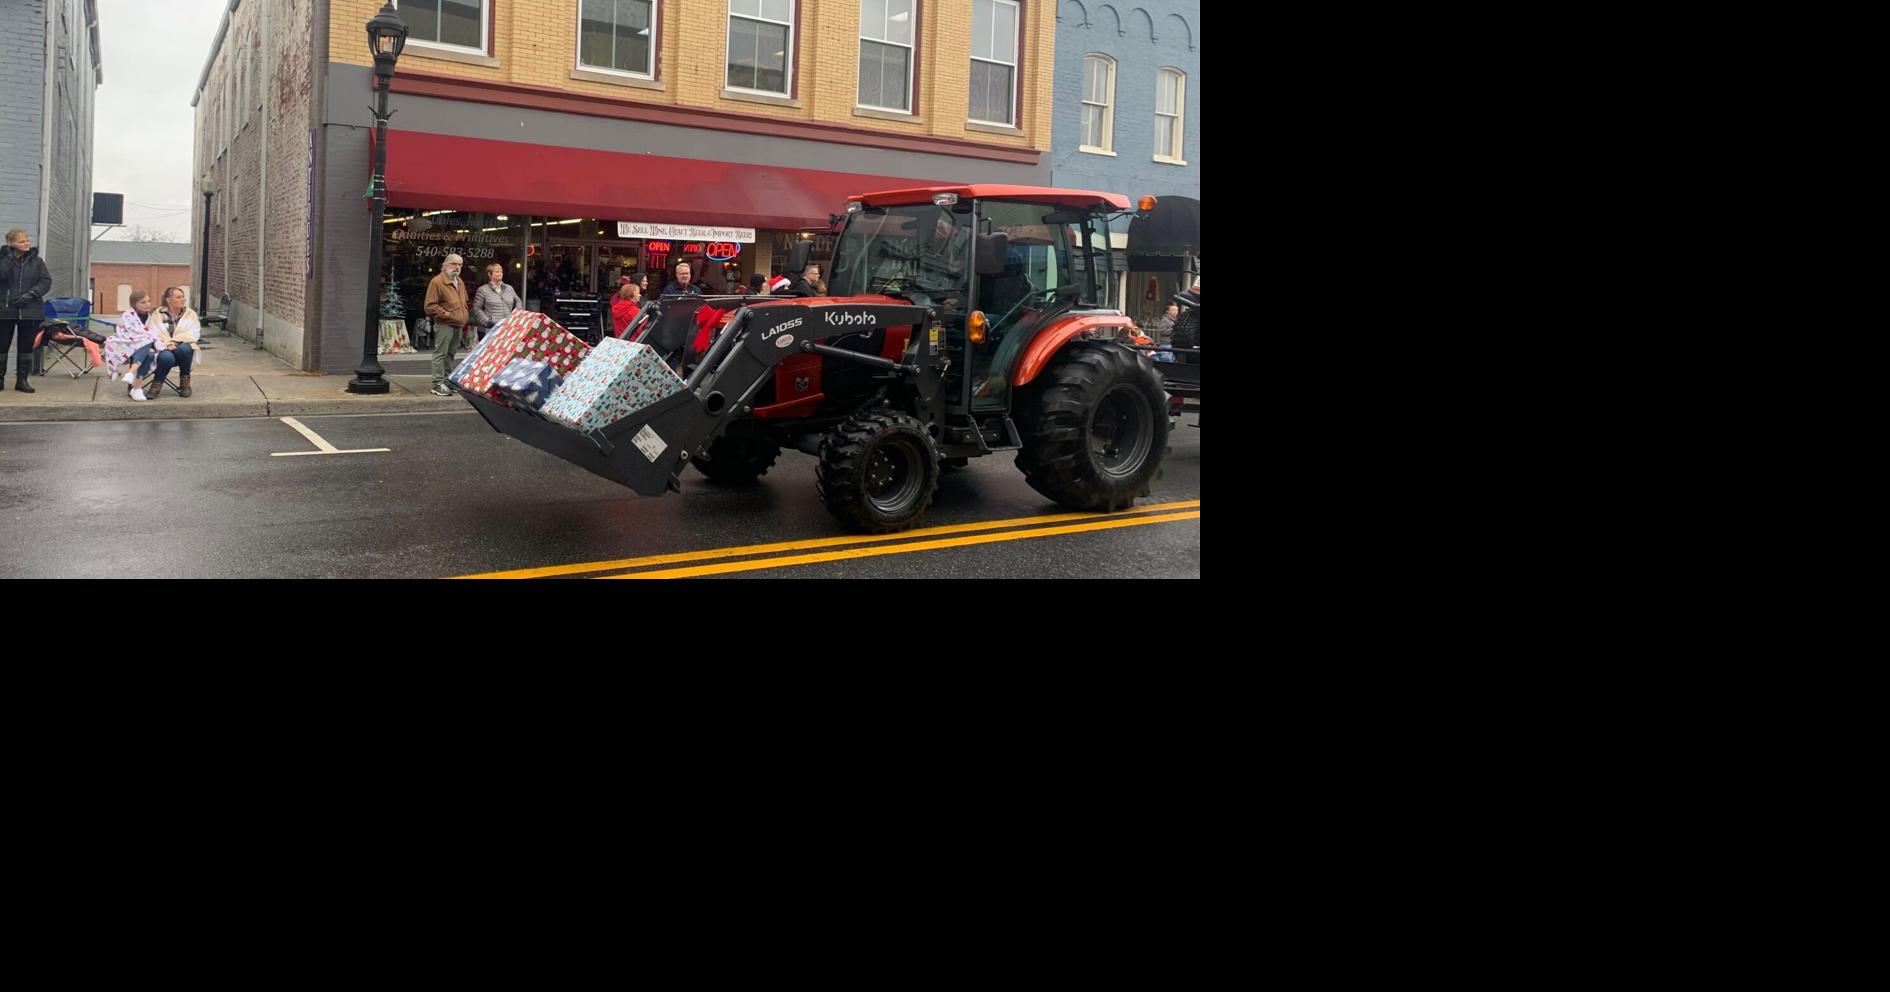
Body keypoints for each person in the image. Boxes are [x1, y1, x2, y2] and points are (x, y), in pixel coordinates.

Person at [1, 227, 52, 393]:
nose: (26, 243)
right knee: (2, 346)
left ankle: (22, 380)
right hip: (5, 310)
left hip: (30, 310)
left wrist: (29, 296)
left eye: (27, 240)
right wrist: (9, 257)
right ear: (10, 243)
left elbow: (45, 281)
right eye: (21, 241)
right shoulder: (3, 259)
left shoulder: (37, 261)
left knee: (26, 347)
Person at [101, 290, 161, 401]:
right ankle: (135, 384)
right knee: (146, 340)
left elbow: (155, 332)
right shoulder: (127, 316)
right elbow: (127, 332)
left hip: (145, 347)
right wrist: (146, 340)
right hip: (127, 345)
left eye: (148, 301)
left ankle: (135, 384)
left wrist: (152, 344)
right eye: (143, 302)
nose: (147, 304)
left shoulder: (152, 317)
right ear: (134, 304)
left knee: (150, 354)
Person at [426, 253, 472, 396]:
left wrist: (463, 316)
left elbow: (464, 301)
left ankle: (446, 381)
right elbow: (430, 306)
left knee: (450, 354)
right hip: (445, 324)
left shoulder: (459, 281)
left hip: (458, 323)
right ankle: (437, 383)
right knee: (440, 353)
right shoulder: (437, 282)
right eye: (454, 264)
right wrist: (447, 315)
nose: (457, 267)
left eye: (460, 264)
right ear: (445, 265)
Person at [148, 286, 202, 397]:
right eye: (178, 297)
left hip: (182, 351)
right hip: (163, 347)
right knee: (166, 357)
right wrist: (167, 344)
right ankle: (157, 383)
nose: (182, 299)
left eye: (183, 297)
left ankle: (185, 383)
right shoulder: (157, 314)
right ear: (169, 300)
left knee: (185, 349)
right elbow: (153, 332)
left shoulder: (190, 314)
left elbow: (194, 333)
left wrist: (176, 342)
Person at [471, 262, 520, 341]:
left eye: (501, 272)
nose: (500, 273)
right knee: (489, 352)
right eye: (497, 272)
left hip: (507, 327)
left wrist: (516, 316)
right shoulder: (482, 290)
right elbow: (476, 308)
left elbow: (518, 301)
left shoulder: (509, 288)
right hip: (490, 329)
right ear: (490, 274)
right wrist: (487, 322)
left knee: (505, 351)